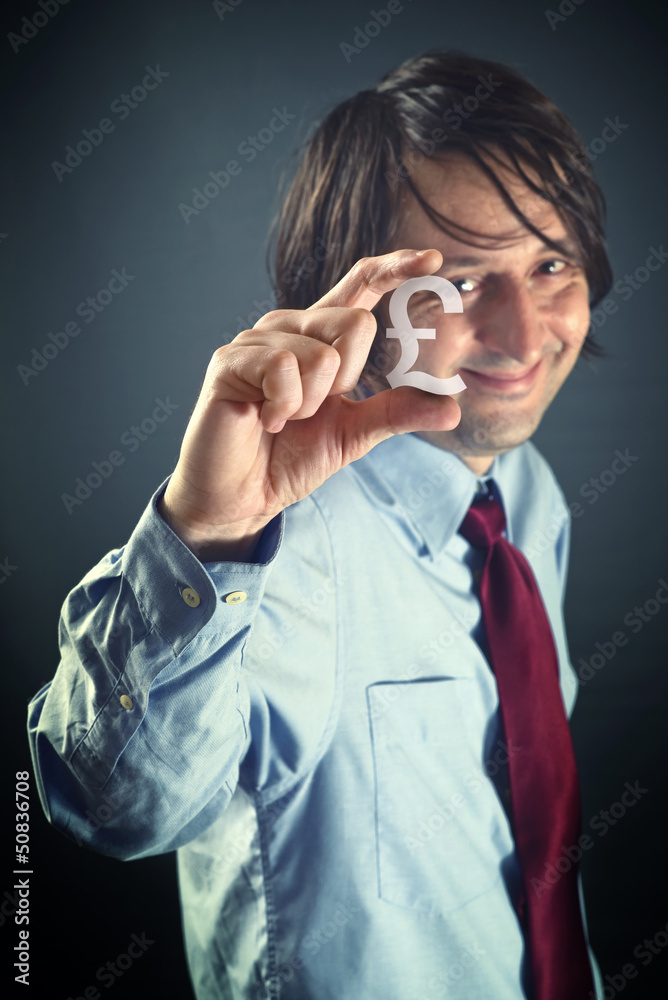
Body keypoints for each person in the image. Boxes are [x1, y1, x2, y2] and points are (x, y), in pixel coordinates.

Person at [28, 50, 612, 1000]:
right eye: (463, 282)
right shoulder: (277, 545)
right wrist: (208, 531)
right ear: (359, 301)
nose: (523, 333)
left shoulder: (526, 496)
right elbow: (111, 807)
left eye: (551, 263)